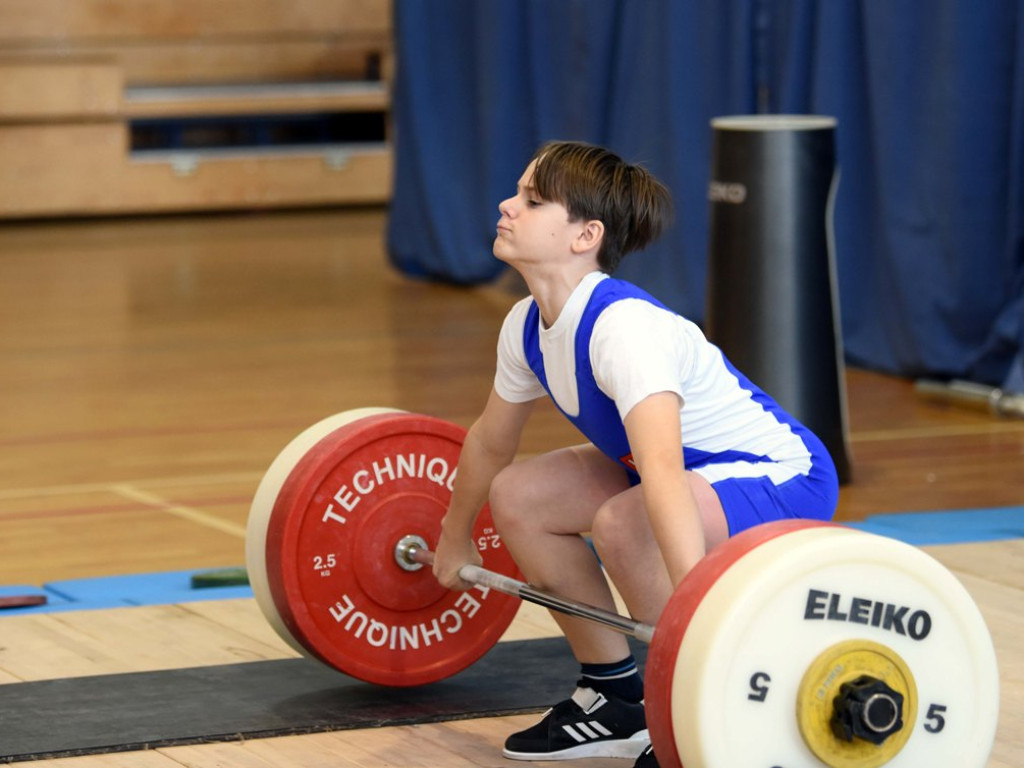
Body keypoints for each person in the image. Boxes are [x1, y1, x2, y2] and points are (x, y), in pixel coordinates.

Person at [432, 140, 839, 768]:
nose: (506, 206)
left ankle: (695, 698)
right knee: (519, 495)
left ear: (584, 235)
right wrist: (453, 536)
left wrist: (694, 611)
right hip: (683, 475)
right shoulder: (525, 326)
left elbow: (662, 472)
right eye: (517, 193)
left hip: (783, 476)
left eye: (532, 200)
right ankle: (614, 696)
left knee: (627, 522)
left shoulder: (625, 329)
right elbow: (491, 441)